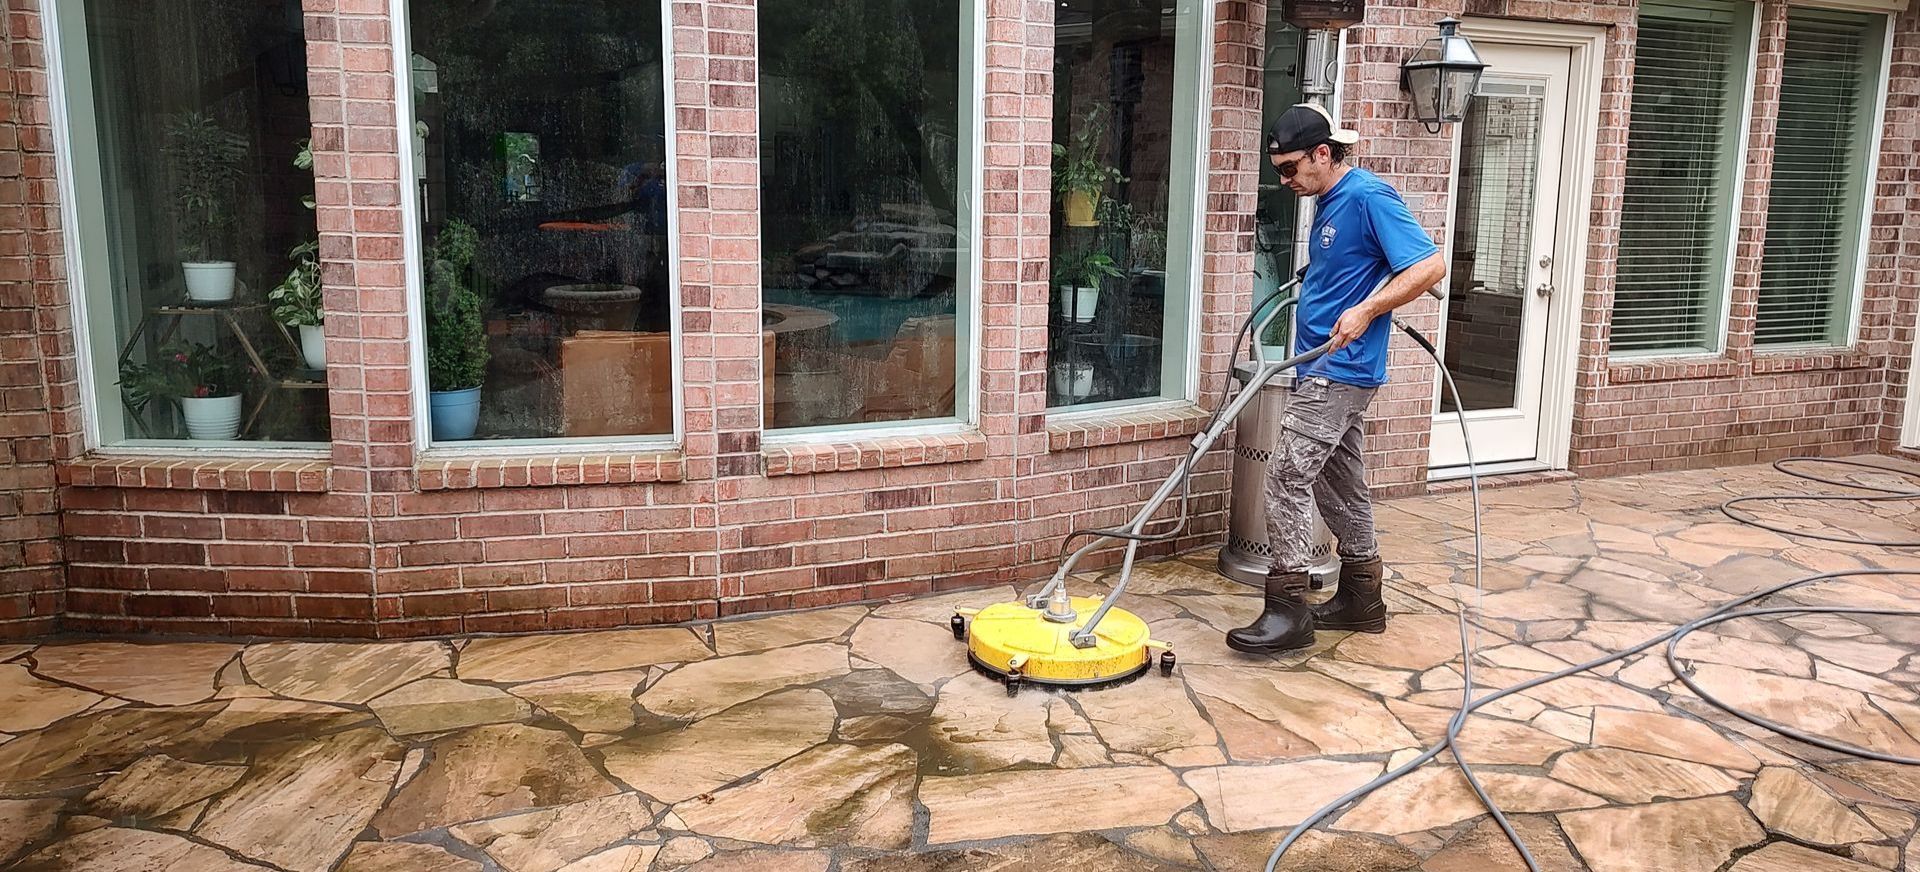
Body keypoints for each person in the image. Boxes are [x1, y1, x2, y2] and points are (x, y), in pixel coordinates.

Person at [1227, 103, 1446, 655]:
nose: (1285, 180)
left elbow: (1429, 266)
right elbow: (1350, 262)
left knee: (1285, 478)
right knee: (1336, 480)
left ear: (1323, 154)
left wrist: (1368, 309)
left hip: (1338, 369)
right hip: (1318, 366)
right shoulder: (1326, 200)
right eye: (1278, 170)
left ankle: (1289, 607)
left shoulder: (1369, 196)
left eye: (1291, 168)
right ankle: (1362, 598)